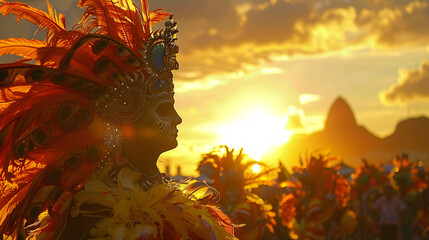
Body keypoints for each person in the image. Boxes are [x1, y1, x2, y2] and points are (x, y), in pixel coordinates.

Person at [0, 0, 235, 239]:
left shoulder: (180, 205)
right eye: (164, 110)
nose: (178, 119)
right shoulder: (89, 215)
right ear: (126, 118)